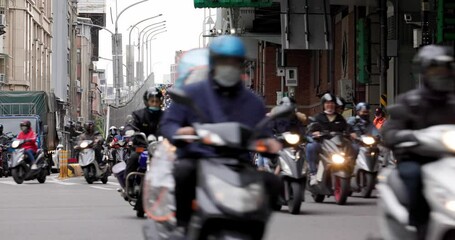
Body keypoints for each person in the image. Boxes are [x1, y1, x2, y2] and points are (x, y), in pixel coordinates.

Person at [160, 35, 282, 231]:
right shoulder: (191, 93)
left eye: (235, 62)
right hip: (200, 160)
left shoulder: (253, 101)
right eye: (224, 61)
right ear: (213, 63)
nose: (230, 67)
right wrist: (180, 132)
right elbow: (169, 124)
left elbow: (264, 133)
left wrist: (271, 143)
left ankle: (254, 229)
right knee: (183, 172)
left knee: (273, 183)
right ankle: (183, 226)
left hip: (239, 164)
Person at [381, 45, 455, 239]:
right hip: (417, 159)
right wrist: (402, 136)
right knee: (413, 177)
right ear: (425, 73)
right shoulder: (410, 101)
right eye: (435, 70)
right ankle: (418, 226)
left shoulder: (453, 103)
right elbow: (390, 129)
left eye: (445, 70)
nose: (441, 75)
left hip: (448, 161)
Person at [124, 87, 164, 193]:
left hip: (161, 148)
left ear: (161, 101)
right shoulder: (138, 115)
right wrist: (130, 130)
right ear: (147, 102)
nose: (154, 103)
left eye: (157, 101)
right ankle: (129, 186)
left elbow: (173, 126)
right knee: (133, 158)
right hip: (142, 147)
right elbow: (130, 124)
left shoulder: (166, 116)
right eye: (152, 101)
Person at [306, 93, 350, 185]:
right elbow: (311, 129)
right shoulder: (318, 117)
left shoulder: (340, 118)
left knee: (353, 147)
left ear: (335, 105)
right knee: (311, 146)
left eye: (332, 103)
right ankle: (313, 173)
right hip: (322, 144)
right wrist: (315, 133)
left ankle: (351, 169)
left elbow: (347, 129)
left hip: (337, 144)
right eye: (327, 103)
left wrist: (351, 133)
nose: (330, 105)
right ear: (323, 105)